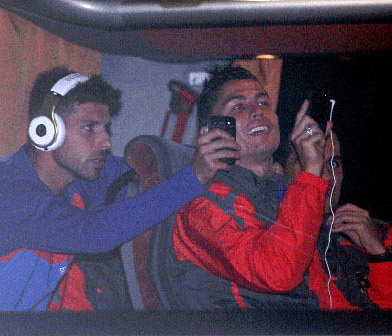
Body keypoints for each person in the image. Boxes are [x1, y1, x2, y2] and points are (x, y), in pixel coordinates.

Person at [0, 67, 226, 312]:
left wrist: (215, 161)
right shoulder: (6, 193)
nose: (105, 142)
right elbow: (96, 233)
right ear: (46, 131)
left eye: (106, 129)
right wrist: (191, 179)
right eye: (89, 128)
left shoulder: (78, 176)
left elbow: (146, 172)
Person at [156, 64, 330, 309]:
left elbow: (325, 292)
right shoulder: (201, 204)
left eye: (263, 103)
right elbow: (278, 273)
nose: (257, 112)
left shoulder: (290, 192)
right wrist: (311, 172)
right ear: (211, 132)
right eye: (238, 107)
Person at [284, 131, 392, 309]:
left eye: (333, 163)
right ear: (278, 170)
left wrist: (379, 255)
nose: (327, 176)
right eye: (310, 161)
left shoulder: (381, 234)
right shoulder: (268, 238)